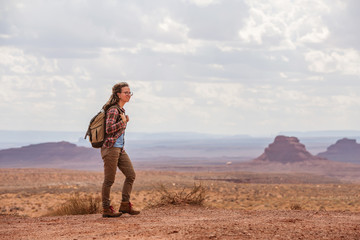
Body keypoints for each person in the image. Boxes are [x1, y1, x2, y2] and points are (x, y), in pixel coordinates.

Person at [100, 82, 140, 218]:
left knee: (131, 175)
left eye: (130, 93)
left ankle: (125, 204)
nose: (129, 95)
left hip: (120, 149)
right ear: (118, 94)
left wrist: (124, 121)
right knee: (109, 180)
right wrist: (122, 122)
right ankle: (106, 209)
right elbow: (108, 129)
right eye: (126, 93)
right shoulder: (113, 110)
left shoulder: (121, 110)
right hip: (110, 148)